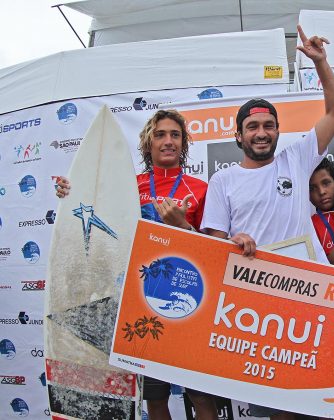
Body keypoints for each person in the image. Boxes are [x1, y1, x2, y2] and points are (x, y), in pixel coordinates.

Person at [200, 25, 334, 420]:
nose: (261, 133)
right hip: (259, 306)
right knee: (282, 404)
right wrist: (233, 241)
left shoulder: (295, 160)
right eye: (253, 127)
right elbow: (213, 246)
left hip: (311, 295)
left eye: (268, 126)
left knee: (324, 396)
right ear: (238, 135)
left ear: (279, 131)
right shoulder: (223, 180)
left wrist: (320, 63)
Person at [56, 109, 218, 420]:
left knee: (202, 400)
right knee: (155, 401)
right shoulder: (127, 186)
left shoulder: (201, 189)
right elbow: (88, 211)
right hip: (140, 305)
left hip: (189, 304)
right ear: (147, 144)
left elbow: (213, 251)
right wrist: (68, 191)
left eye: (175, 135)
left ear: (183, 143)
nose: (168, 141)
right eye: (160, 135)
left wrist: (184, 226)